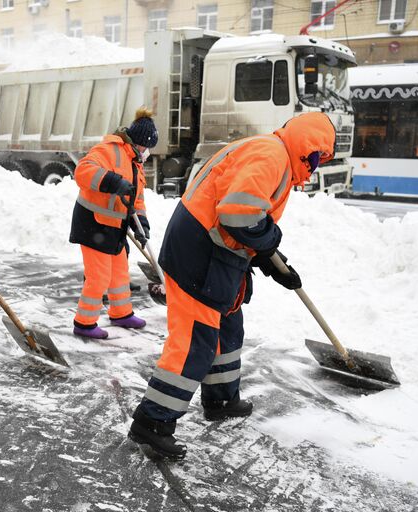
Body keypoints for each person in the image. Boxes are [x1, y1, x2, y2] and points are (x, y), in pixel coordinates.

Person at [127, 112, 336, 459]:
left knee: (227, 326)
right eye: (316, 157)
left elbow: (241, 213)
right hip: (200, 253)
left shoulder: (272, 152)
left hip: (211, 249)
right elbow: (238, 214)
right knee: (195, 342)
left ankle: (222, 398)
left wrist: (271, 261)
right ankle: (152, 423)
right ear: (306, 147)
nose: (314, 166)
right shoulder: (272, 156)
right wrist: (269, 240)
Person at [69, 107, 158, 339]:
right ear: (138, 142)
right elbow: (83, 171)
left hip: (114, 226)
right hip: (93, 223)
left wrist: (143, 225)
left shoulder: (135, 163)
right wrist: (112, 181)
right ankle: (84, 323)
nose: (147, 152)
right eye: (147, 147)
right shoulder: (108, 150)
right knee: (99, 277)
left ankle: (121, 313)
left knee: (119, 273)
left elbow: (136, 199)